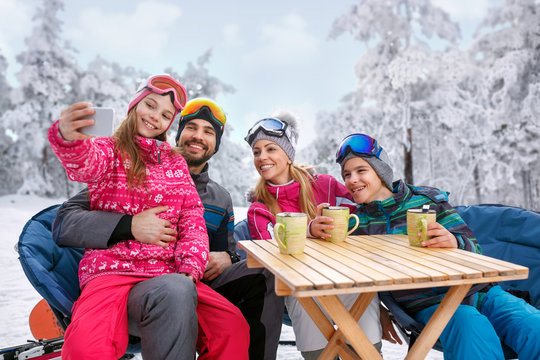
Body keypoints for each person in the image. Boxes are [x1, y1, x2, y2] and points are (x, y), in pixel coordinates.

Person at [53, 97, 283, 359]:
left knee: (251, 296)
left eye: (208, 132)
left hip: (189, 276)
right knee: (91, 343)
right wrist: (130, 225)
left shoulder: (220, 197)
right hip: (127, 276)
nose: (198, 136)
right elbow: (69, 210)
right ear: (176, 131)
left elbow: (206, 234)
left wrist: (224, 259)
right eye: (191, 127)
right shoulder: (119, 164)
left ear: (216, 144)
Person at [326, 132, 540, 360]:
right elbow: (348, 274)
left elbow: (474, 247)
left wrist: (454, 241)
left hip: (481, 293)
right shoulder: (356, 224)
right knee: (470, 326)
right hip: (428, 304)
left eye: (361, 171)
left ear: (380, 170)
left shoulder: (427, 200)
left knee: (533, 326)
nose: (352, 180)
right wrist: (378, 309)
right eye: (346, 174)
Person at [244, 113, 382, 360]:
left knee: (364, 292)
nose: (262, 157)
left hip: (344, 277)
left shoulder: (325, 186)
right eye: (256, 152)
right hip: (301, 289)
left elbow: (364, 210)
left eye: (270, 149)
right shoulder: (260, 208)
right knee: (304, 299)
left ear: (288, 154)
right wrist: (309, 230)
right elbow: (269, 252)